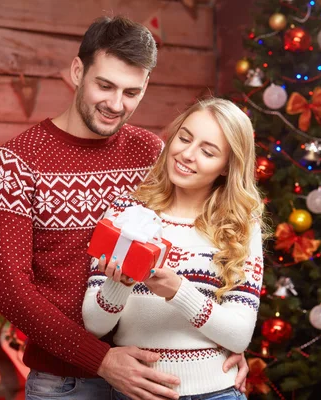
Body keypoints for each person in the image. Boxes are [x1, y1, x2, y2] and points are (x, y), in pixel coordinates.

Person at [0, 16, 247, 400]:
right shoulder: (18, 161)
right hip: (65, 383)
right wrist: (101, 361)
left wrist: (226, 342)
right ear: (78, 71)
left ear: (145, 87)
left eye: (130, 92)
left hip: (154, 376)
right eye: (104, 85)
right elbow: (11, 290)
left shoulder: (152, 153)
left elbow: (207, 243)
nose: (115, 104)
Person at [83, 97, 265, 399]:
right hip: (137, 393)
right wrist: (120, 283)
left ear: (226, 167)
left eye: (208, 152)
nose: (187, 154)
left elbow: (239, 335)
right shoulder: (127, 211)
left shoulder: (241, 225)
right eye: (184, 138)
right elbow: (94, 325)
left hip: (216, 392)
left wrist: (178, 290)